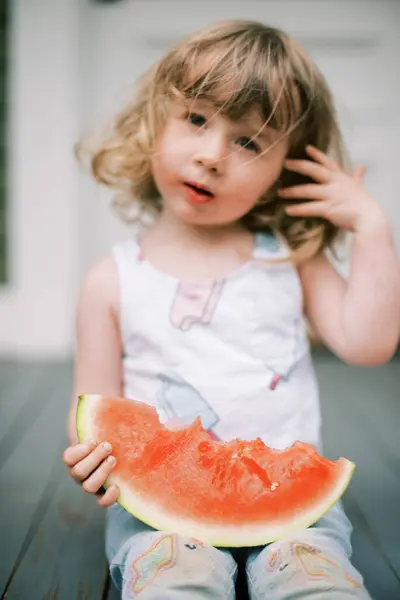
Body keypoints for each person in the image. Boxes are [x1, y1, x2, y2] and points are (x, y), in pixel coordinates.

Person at [62, 19, 400, 599]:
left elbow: (368, 345)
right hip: (158, 516)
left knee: (317, 580)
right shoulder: (109, 281)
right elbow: (94, 409)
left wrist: (371, 228)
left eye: (248, 141)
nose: (212, 156)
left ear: (284, 170)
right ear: (154, 123)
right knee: (172, 579)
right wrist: (88, 460)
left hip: (293, 508)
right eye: (196, 119)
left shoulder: (290, 260)